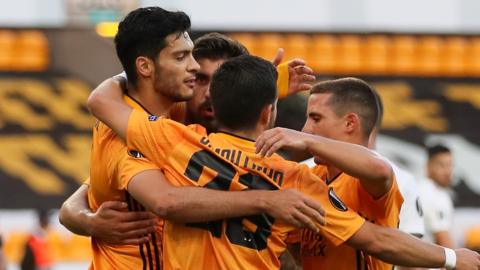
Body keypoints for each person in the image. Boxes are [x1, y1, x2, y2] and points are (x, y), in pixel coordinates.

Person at [89, 55, 480, 270]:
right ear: (269, 112)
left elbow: (102, 100)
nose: (304, 127)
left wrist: (148, 63)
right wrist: (452, 258)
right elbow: (375, 239)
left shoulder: (176, 143)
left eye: (314, 120)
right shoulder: (297, 182)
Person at [60, 7, 324, 269]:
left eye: (222, 82)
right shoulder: (143, 127)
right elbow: (163, 201)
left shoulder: (190, 124)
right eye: (199, 76)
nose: (210, 91)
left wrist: (266, 86)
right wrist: (88, 220)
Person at [419, 144, 455, 248]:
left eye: (450, 165)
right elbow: (443, 240)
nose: (447, 171)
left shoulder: (420, 188)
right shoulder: (433, 193)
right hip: (421, 260)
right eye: (441, 165)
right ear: (428, 166)